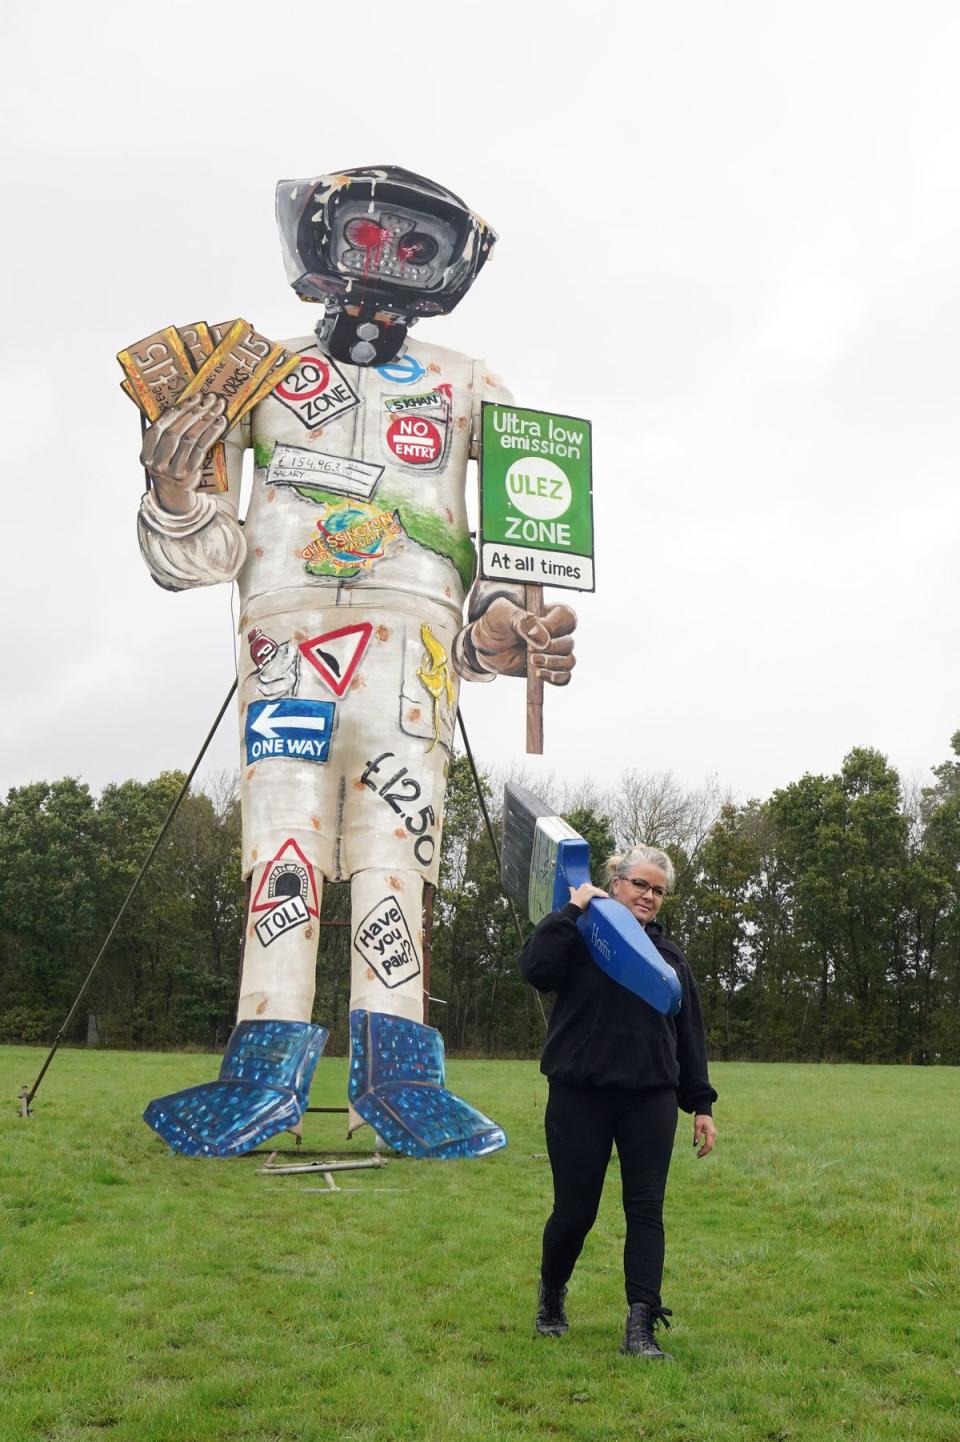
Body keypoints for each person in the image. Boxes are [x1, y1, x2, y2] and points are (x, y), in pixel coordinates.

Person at [135, 167, 577, 1151]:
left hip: (413, 653)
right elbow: (202, 550)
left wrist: (504, 627)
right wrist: (172, 487)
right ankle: (261, 1072)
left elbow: (510, 554)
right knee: (281, 846)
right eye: (366, 237)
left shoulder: (470, 384)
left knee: (399, 855)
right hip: (284, 642)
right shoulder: (249, 373)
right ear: (319, 241)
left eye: (412, 245)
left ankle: (401, 1076)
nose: (383, 261)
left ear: (449, 267)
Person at [519, 844, 717, 1360]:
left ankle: (641, 1327)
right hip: (578, 1094)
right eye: (639, 885)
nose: (648, 896)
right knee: (574, 1212)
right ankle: (552, 1294)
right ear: (616, 881)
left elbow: (688, 1036)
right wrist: (573, 908)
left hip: (649, 1097)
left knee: (646, 1210)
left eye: (658, 890)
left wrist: (701, 1104)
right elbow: (535, 968)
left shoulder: (668, 960)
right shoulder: (581, 939)